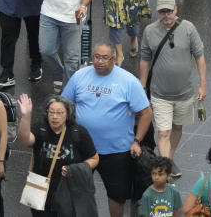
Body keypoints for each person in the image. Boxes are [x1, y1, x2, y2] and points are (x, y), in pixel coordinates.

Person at [62, 42, 152, 217]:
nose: (99, 61)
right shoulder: (80, 76)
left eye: (104, 58)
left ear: (114, 59)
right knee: (77, 191)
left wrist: (137, 141)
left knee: (117, 195)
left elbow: (146, 113)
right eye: (96, 57)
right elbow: (63, 104)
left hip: (117, 151)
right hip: (83, 149)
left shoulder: (128, 81)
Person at [138, 0, 205, 168]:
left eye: (169, 11)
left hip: (184, 93)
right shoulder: (150, 31)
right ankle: (165, 168)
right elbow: (144, 59)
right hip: (160, 94)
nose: (166, 15)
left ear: (176, 9)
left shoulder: (188, 28)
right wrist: (142, 86)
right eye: (162, 12)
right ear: (158, 12)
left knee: (176, 128)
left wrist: (203, 85)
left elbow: (200, 57)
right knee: (164, 132)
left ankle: (169, 158)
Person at [16, 93, 99, 217]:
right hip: (41, 191)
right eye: (51, 112)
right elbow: (25, 140)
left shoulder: (78, 132)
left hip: (68, 192)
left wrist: (74, 170)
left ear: (67, 115)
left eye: (59, 113)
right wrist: (26, 116)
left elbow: (94, 158)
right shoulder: (40, 129)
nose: (55, 117)